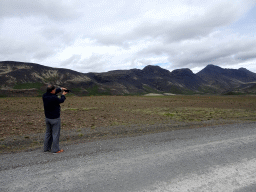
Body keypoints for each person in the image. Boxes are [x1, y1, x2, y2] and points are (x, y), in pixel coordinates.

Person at [42, 85, 68, 153]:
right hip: (55, 118)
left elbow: (53, 92)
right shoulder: (54, 98)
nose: (55, 90)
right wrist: (63, 95)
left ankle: (46, 148)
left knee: (48, 133)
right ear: (52, 90)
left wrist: (61, 89)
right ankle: (55, 149)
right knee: (56, 134)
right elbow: (61, 100)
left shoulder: (44, 95)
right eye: (55, 89)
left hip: (47, 118)